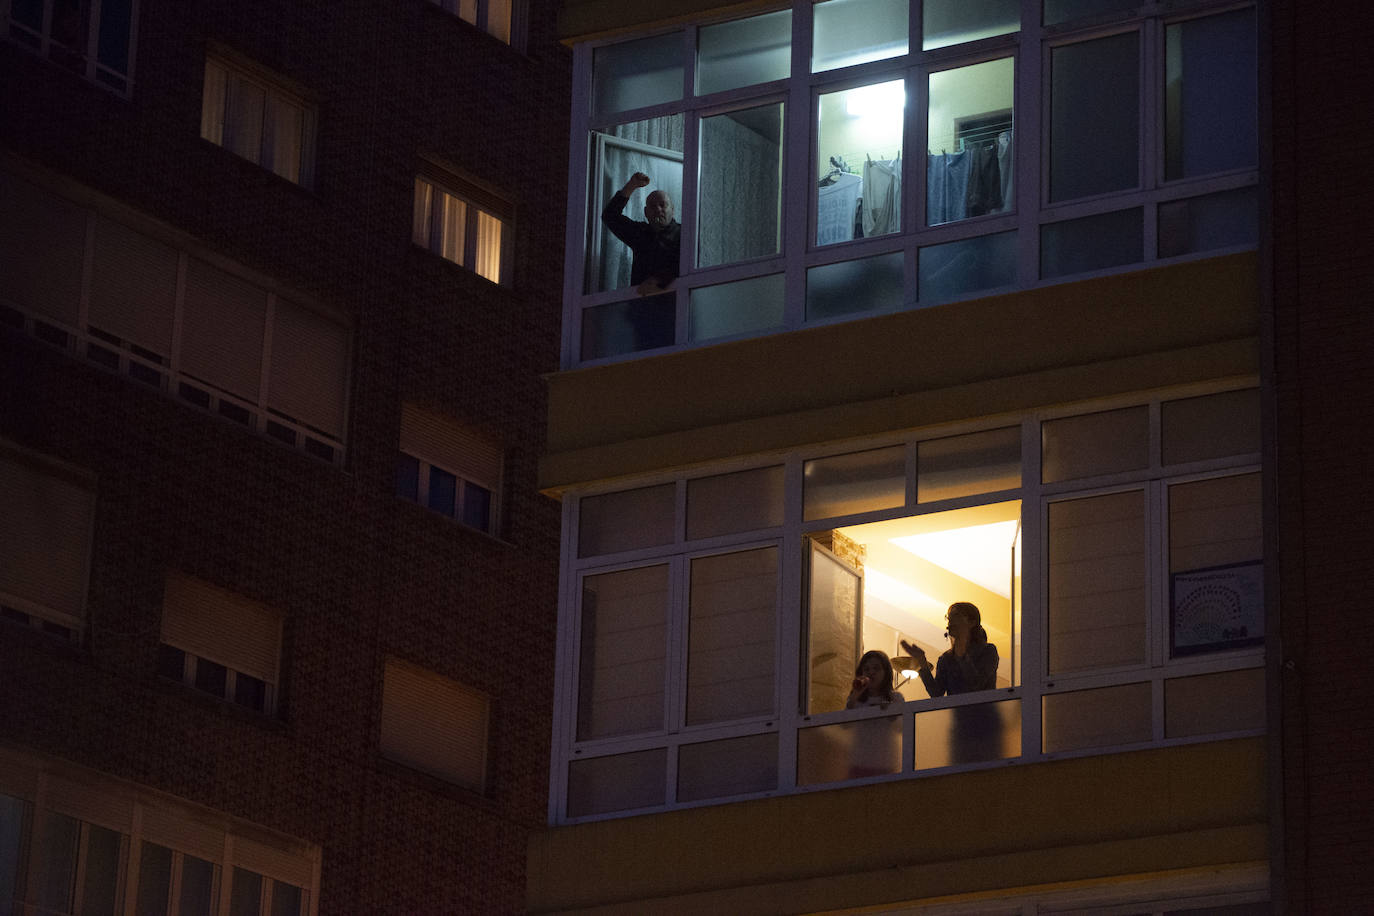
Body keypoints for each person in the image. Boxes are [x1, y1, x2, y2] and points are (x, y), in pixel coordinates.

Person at [601, 172, 681, 296]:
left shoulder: (683, 235)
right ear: (646, 213)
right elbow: (610, 216)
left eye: (662, 205)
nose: (658, 209)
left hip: (675, 306)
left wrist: (660, 280)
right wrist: (632, 185)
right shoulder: (640, 233)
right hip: (641, 307)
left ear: (673, 209)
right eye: (653, 206)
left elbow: (686, 266)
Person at [901, 602, 999, 699]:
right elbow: (936, 693)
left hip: (984, 712)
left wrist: (961, 653)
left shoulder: (988, 651)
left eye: (956, 615)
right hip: (958, 714)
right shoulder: (946, 658)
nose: (950, 621)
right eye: (949, 618)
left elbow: (976, 684)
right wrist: (922, 662)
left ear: (972, 622)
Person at [845, 650, 904, 778]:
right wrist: (854, 697)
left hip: (886, 764)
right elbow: (845, 726)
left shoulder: (895, 698)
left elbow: (902, 728)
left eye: (876, 668)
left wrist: (889, 712)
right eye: (866, 669)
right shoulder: (856, 700)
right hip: (859, 763)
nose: (871, 672)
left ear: (886, 673)